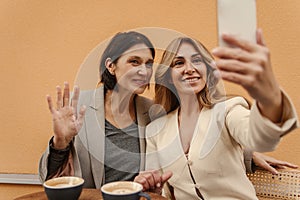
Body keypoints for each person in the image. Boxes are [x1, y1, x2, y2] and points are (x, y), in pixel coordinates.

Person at [39, 30, 297, 190]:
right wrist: (61, 142)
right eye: (134, 61)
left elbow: (202, 134)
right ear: (111, 65)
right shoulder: (77, 109)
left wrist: (248, 154)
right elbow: (48, 177)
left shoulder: (153, 113)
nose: (144, 70)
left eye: (149, 63)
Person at [135, 29, 299, 199]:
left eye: (197, 61)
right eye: (179, 63)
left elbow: (257, 135)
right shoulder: (155, 130)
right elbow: (158, 188)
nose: (189, 69)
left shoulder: (228, 110)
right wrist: (151, 190)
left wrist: (267, 95)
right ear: (168, 77)